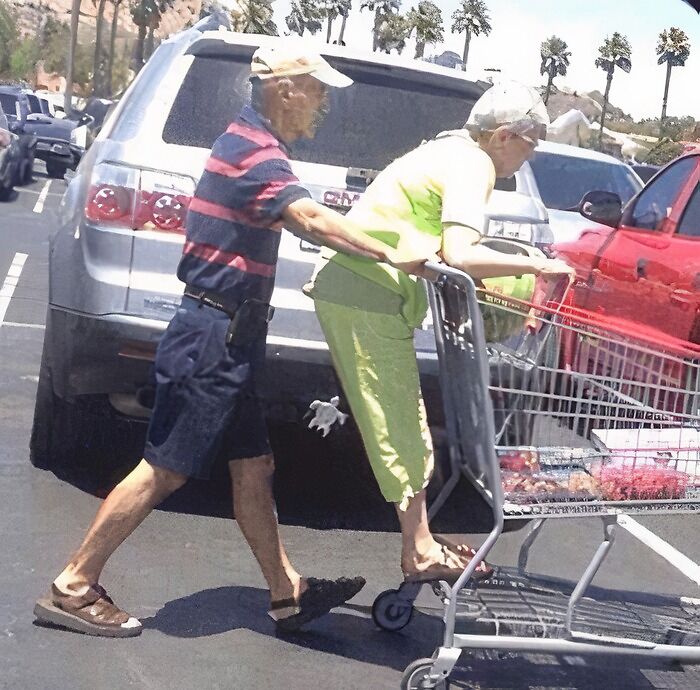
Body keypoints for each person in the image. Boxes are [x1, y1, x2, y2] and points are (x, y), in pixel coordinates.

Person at [34, 45, 421, 638]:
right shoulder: (256, 152)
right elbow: (312, 220)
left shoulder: (252, 143)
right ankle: (74, 585)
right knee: (164, 468)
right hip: (212, 336)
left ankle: (285, 592)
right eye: (317, 89)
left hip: (230, 337)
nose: (323, 102)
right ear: (285, 87)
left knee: (254, 466)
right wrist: (390, 251)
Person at [308, 81, 575, 584]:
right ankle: (420, 550)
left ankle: (422, 539)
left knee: (403, 416)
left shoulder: (447, 149)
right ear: (502, 136)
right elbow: (461, 254)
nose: (530, 153)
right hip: (364, 291)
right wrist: (539, 264)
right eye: (530, 141)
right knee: (398, 420)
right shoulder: (473, 164)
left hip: (361, 287)